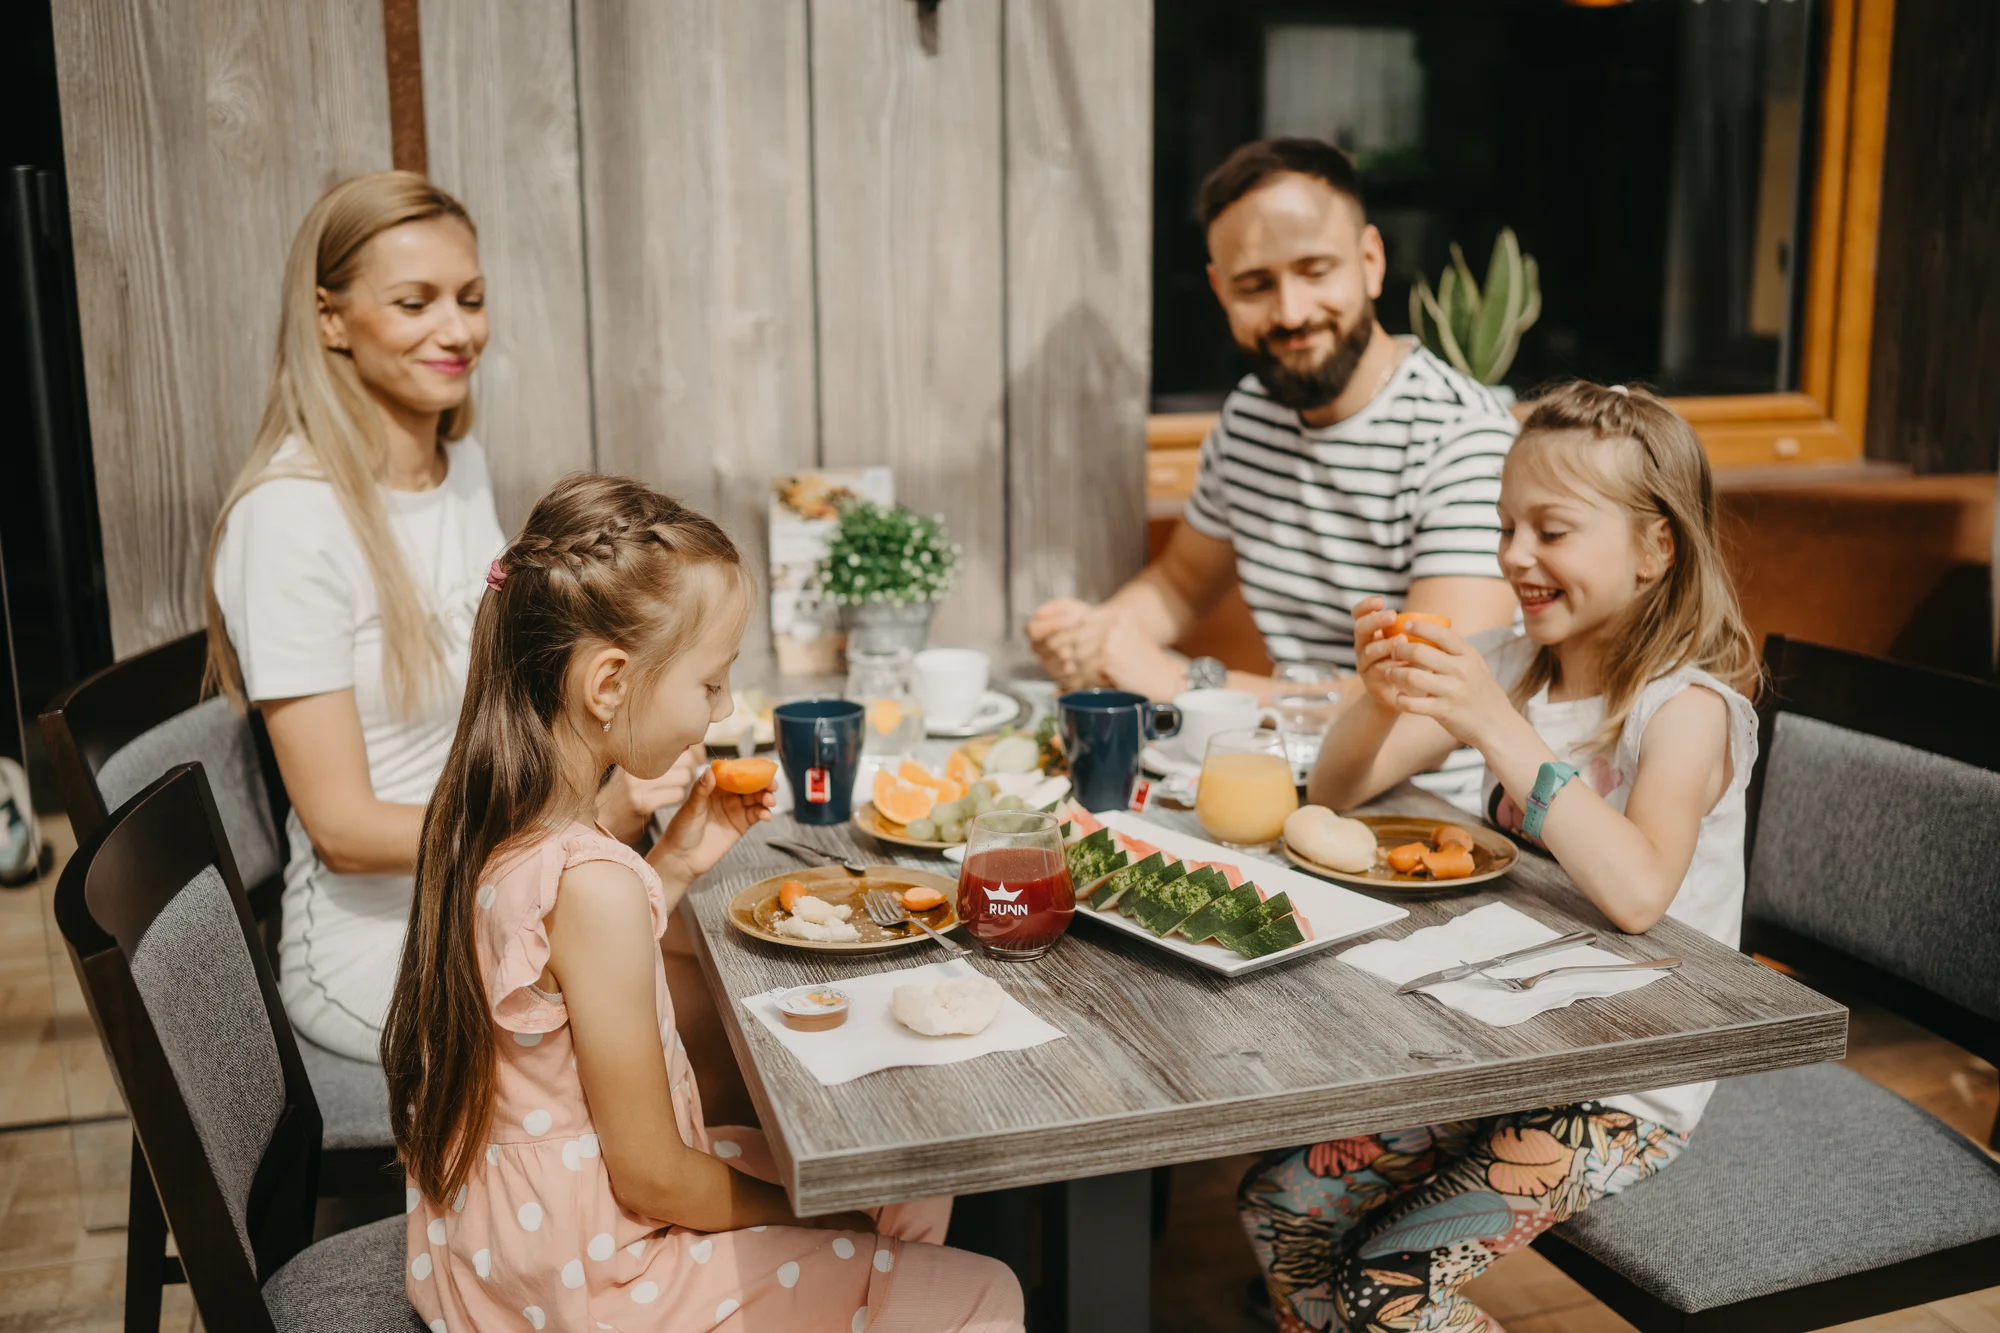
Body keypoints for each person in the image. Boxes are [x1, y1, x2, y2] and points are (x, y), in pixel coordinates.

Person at [383, 474, 1024, 1332]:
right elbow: (653, 1176)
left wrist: (677, 858)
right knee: (980, 1288)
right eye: (712, 682)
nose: (721, 711)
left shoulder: (500, 824)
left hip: (517, 1233)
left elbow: (564, 979)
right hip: (598, 1271)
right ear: (607, 683)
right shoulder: (591, 884)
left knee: (904, 1183)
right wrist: (810, 1216)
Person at [1238, 382, 1761, 1332]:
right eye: (1506, 525)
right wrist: (1381, 692)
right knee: (1282, 1204)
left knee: (1381, 1290)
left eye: (1552, 530)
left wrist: (1495, 727)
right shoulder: (1517, 664)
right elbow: (1341, 792)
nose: (1515, 555)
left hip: (1622, 1079)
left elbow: (1640, 891)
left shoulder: (1686, 710)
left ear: (1656, 550)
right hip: (1494, 1043)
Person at [204, 173, 696, 1063]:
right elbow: (345, 831)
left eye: (471, 299)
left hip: (503, 881)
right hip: (380, 947)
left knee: (733, 996)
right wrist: (575, 812)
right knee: (696, 1034)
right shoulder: (287, 519)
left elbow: (513, 690)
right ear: (330, 318)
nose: (458, 329)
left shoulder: (457, 463)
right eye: (414, 301)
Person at [1027, 137, 1520, 809]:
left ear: (1371, 262)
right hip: (1273, 788)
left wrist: (1192, 685)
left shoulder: (1467, 437)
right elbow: (1179, 585)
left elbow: (1424, 693)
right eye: (1256, 285)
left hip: (1429, 816)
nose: (1290, 313)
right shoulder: (1251, 414)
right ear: (1219, 290)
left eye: (1316, 270)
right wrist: (1096, 636)